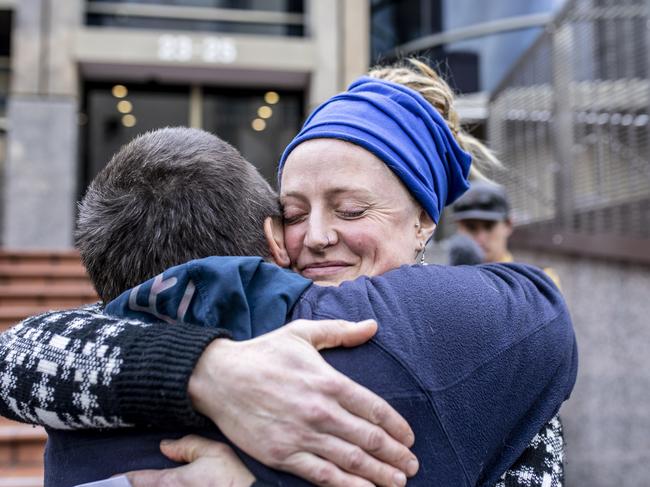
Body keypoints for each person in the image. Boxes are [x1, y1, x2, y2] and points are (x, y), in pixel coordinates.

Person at [0, 61, 575, 487]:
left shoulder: (488, 336)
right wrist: (207, 370)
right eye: (295, 213)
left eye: (351, 210)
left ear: (425, 218)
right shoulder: (211, 311)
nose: (318, 236)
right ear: (271, 232)